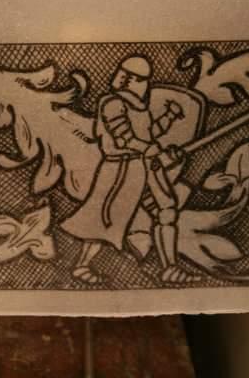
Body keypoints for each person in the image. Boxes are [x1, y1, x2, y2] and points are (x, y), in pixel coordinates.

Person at [61, 54, 201, 284]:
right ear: (129, 79)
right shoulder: (112, 103)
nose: (145, 85)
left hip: (146, 167)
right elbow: (124, 138)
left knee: (166, 210)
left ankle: (169, 268)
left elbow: (148, 134)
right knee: (104, 217)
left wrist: (168, 118)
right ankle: (81, 265)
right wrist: (152, 150)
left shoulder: (140, 108)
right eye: (141, 80)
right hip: (121, 169)